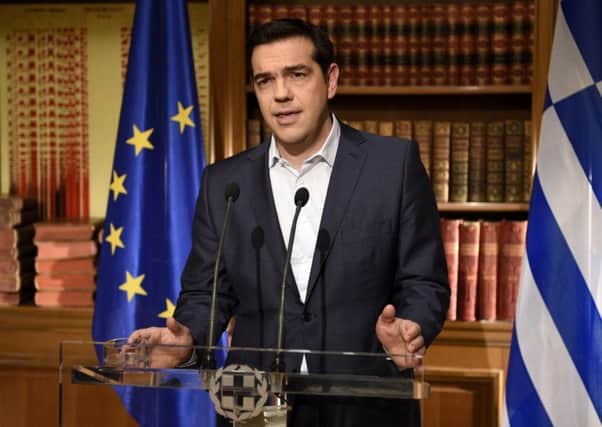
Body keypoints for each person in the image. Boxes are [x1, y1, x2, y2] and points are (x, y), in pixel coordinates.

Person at [128, 19, 449, 427]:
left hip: (366, 405)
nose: (281, 94)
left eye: (297, 75)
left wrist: (411, 329)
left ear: (330, 79)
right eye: (265, 80)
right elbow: (206, 292)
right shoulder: (224, 183)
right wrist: (187, 338)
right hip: (253, 407)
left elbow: (425, 281)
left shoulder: (393, 166)